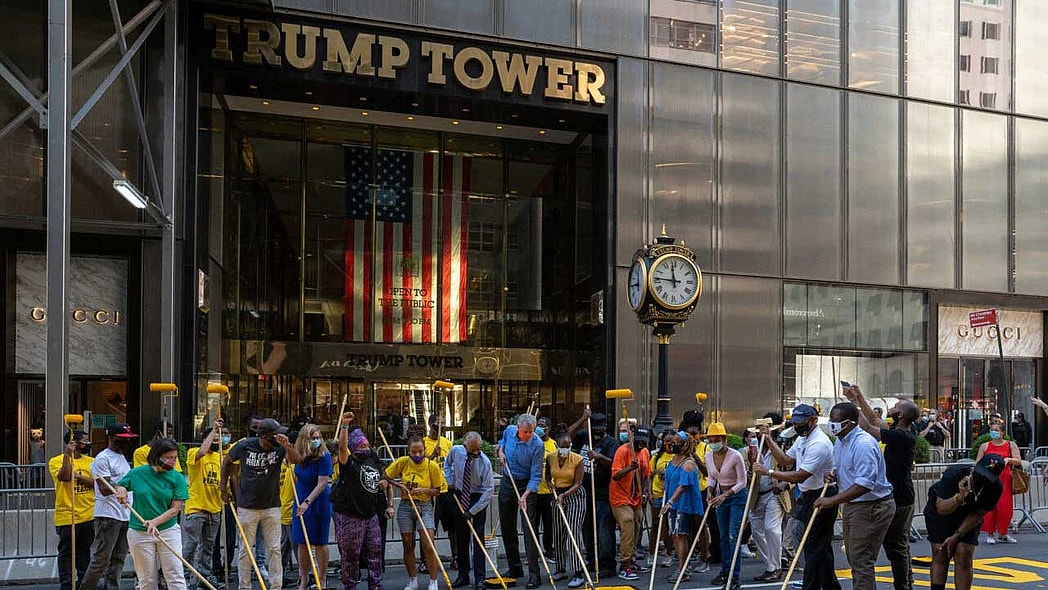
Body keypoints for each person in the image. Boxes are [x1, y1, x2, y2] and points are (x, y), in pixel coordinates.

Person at [753, 404, 838, 590]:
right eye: (795, 422)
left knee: (813, 546)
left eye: (801, 422)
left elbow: (800, 475)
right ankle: (831, 586)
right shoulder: (803, 439)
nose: (797, 426)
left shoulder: (819, 443)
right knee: (819, 546)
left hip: (822, 495)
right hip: (807, 495)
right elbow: (785, 460)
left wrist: (768, 472)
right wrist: (767, 439)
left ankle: (811, 586)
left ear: (813, 421)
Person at [844, 385, 919, 590]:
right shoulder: (902, 430)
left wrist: (852, 406)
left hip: (900, 498)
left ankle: (904, 585)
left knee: (896, 546)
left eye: (894, 407)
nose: (891, 409)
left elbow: (869, 428)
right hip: (896, 494)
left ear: (900, 414)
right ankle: (906, 582)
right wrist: (858, 397)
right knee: (897, 546)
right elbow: (875, 420)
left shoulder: (902, 436)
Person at [814, 402, 895, 590]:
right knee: (854, 556)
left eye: (835, 421)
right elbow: (845, 470)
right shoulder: (841, 443)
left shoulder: (863, 444)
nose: (831, 424)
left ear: (849, 423)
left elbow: (865, 484)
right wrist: (833, 475)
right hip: (853, 505)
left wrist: (831, 500)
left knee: (861, 560)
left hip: (871, 506)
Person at [222, 418, 303, 590]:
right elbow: (227, 461)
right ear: (265, 436)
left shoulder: (280, 447)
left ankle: (276, 585)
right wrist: (223, 488)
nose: (281, 436)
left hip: (272, 505)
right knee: (245, 549)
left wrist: (288, 445)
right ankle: (244, 586)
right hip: (247, 506)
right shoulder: (245, 446)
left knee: (274, 548)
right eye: (277, 433)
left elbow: (297, 460)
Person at [114, 438, 190, 590]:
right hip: (139, 531)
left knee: (175, 577)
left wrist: (155, 522)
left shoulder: (177, 478)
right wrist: (120, 489)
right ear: (156, 456)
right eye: (169, 458)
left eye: (174, 458)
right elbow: (121, 484)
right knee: (147, 580)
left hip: (168, 530)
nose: (173, 461)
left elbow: (175, 509)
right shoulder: (137, 473)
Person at [923, 454, 1006, 590]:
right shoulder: (954, 474)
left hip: (969, 515)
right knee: (941, 552)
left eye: (987, 477)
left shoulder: (995, 487)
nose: (982, 479)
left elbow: (979, 513)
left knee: (964, 553)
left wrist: (957, 535)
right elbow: (941, 508)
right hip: (941, 511)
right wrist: (959, 497)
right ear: (975, 468)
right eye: (980, 474)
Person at [334, 414, 393, 590]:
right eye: (362, 445)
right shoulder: (348, 462)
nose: (366, 448)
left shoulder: (372, 458)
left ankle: (376, 585)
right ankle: (350, 586)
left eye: (367, 444)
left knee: (375, 551)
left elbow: (384, 478)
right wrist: (345, 425)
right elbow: (342, 448)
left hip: (370, 514)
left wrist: (384, 483)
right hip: (349, 515)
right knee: (351, 555)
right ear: (354, 446)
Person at [81, 423, 138, 590]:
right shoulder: (102, 458)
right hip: (108, 515)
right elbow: (104, 488)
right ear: (111, 437)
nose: (126, 443)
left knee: (119, 557)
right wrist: (121, 487)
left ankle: (111, 587)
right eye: (122, 439)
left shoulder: (120, 457)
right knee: (101, 559)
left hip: (125, 514)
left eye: (128, 439)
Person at [387, 434, 447, 590]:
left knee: (428, 544)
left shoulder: (431, 466)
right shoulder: (403, 463)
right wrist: (399, 485)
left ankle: (433, 581)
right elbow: (385, 476)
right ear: (408, 451)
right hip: (406, 506)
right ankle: (412, 580)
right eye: (414, 452)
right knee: (408, 544)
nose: (418, 455)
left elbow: (438, 490)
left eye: (420, 451)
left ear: (424, 450)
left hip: (425, 506)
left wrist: (424, 490)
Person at [567, 410, 618, 579]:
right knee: (587, 529)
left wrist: (599, 456)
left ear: (604, 427)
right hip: (584, 492)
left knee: (604, 529)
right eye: (593, 428)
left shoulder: (611, 443)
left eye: (599, 428)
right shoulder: (583, 436)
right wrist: (582, 418)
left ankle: (607, 564)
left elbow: (613, 464)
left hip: (602, 492)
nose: (596, 431)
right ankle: (592, 560)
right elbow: (567, 435)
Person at [497, 414, 546, 589]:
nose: (528, 435)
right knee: (507, 527)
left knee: (529, 529)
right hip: (507, 481)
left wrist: (525, 495)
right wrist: (501, 452)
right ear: (518, 428)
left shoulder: (537, 445)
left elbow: (536, 476)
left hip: (527, 485)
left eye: (531, 432)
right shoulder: (509, 431)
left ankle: (535, 574)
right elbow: (502, 442)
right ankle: (515, 568)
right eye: (525, 432)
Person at [445, 432, 496, 590]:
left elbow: (488, 490)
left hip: (478, 498)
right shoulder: (456, 451)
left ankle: (480, 578)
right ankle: (463, 575)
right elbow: (447, 465)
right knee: (462, 538)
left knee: (478, 539)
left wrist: (472, 511)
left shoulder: (485, 462)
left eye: (477, 450)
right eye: (471, 449)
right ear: (465, 445)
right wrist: (450, 481)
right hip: (460, 495)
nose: (474, 453)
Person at [184, 419, 230, 590]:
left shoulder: (220, 458)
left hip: (215, 509)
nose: (217, 441)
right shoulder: (194, 452)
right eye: (214, 438)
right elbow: (203, 451)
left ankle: (204, 578)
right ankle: (183, 577)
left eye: (218, 438)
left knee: (208, 548)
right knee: (191, 545)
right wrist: (214, 430)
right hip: (196, 508)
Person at [50, 429, 95, 590]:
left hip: (88, 515)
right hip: (67, 515)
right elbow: (65, 477)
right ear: (74, 443)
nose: (87, 443)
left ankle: (83, 584)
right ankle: (67, 585)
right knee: (66, 554)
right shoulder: (56, 461)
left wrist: (80, 477)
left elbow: (96, 483)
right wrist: (68, 456)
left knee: (84, 554)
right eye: (84, 440)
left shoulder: (91, 461)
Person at [704, 422, 747, 589]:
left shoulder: (735, 456)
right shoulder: (708, 455)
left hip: (736, 496)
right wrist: (709, 491)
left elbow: (742, 482)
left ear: (723, 440)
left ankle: (734, 577)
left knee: (732, 536)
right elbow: (712, 477)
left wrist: (726, 495)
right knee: (722, 537)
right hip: (719, 496)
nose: (713, 442)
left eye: (716, 439)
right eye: (710, 439)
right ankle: (725, 571)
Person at [291, 424, 334, 590]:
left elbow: (323, 482)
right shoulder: (300, 456)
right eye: (313, 438)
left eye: (318, 437)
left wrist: (307, 502)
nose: (316, 440)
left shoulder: (324, 456)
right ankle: (303, 577)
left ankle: (322, 578)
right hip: (300, 496)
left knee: (320, 542)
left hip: (318, 501)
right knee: (302, 542)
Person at [659, 432, 705, 583]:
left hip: (683, 504)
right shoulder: (674, 459)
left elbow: (683, 486)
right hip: (673, 503)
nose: (672, 445)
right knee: (674, 534)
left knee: (680, 534)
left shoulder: (688, 463)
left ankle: (683, 569)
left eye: (675, 442)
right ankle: (682, 565)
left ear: (683, 444)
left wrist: (670, 502)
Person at [545, 433, 587, 588]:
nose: (564, 449)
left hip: (574, 495)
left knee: (573, 533)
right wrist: (551, 485)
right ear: (557, 446)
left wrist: (564, 495)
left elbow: (578, 483)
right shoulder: (551, 457)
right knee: (558, 533)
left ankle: (578, 572)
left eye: (567, 446)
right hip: (557, 495)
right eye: (562, 446)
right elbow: (548, 475)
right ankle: (560, 568)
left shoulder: (577, 459)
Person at [609, 420, 649, 580]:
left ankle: (632, 558)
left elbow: (646, 475)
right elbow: (615, 475)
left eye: (643, 442)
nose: (640, 444)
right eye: (638, 441)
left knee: (637, 525)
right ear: (632, 437)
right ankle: (624, 564)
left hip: (636, 497)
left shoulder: (645, 452)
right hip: (620, 496)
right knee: (627, 522)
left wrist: (646, 492)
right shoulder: (622, 451)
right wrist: (630, 468)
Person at [746, 420, 785, 583]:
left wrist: (784, 483)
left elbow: (786, 465)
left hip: (774, 494)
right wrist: (751, 464)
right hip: (757, 495)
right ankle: (772, 563)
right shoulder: (750, 451)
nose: (759, 436)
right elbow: (748, 475)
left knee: (772, 529)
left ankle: (774, 567)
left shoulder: (780, 449)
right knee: (756, 531)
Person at [975, 422, 1023, 544]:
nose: (994, 432)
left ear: (1002, 433)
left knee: (1005, 507)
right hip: (989, 479)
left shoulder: (1010, 445)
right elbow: (977, 463)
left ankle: (1003, 533)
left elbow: (1018, 461)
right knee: (990, 506)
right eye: (992, 430)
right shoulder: (984, 446)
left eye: (997, 430)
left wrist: (1009, 459)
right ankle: (990, 533)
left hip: (1005, 479)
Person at [424, 414, 457, 571]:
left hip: (447, 490)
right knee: (430, 528)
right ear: (430, 424)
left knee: (453, 527)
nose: (440, 426)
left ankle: (456, 557)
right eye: (438, 423)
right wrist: (431, 456)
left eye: (443, 423)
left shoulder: (447, 443)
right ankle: (426, 559)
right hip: (431, 492)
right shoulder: (423, 443)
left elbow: (452, 465)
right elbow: (420, 466)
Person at [647, 429, 676, 570]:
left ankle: (668, 554)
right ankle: (652, 554)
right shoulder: (656, 458)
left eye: (671, 441)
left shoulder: (678, 457)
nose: (669, 444)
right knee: (656, 525)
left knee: (669, 526)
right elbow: (649, 475)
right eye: (666, 441)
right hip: (658, 494)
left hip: (672, 495)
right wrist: (650, 493)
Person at [534, 417, 557, 561]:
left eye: (542, 426)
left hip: (549, 491)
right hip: (534, 490)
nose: (539, 428)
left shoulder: (553, 444)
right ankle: (534, 552)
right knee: (533, 524)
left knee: (549, 524)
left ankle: (549, 550)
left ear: (548, 428)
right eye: (538, 425)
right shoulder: (532, 442)